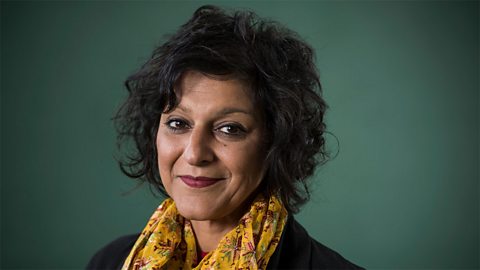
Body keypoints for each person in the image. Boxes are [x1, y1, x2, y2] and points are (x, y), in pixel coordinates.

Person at [87, 5, 362, 269]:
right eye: (178, 122)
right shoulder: (110, 262)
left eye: (229, 128)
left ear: (276, 142)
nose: (195, 153)